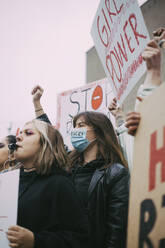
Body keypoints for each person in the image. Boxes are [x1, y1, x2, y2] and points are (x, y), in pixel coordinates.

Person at [6, 119, 89, 248]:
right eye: (20, 133)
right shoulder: (10, 181)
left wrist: (35, 241)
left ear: (45, 143)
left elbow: (79, 239)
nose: (18, 137)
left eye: (28, 133)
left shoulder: (59, 184)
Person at [69, 111, 129, 248]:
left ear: (98, 130)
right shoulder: (67, 168)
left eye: (81, 125)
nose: (75, 131)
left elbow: (116, 228)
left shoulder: (116, 173)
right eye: (75, 126)